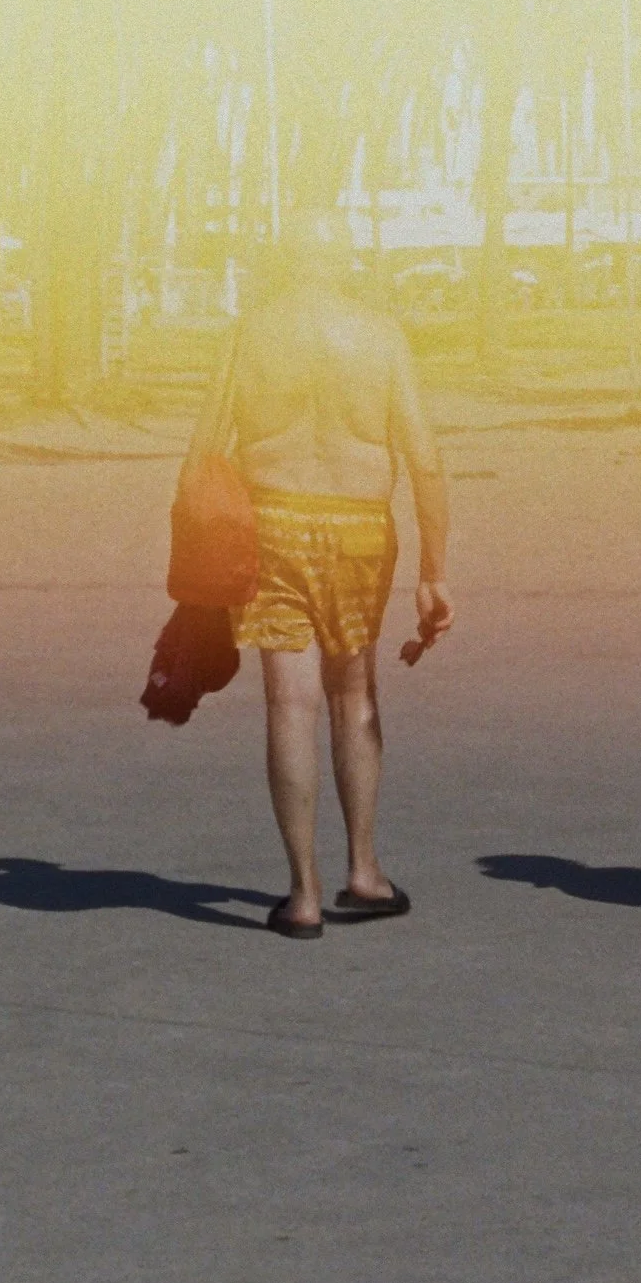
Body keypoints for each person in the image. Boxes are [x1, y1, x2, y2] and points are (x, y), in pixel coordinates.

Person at [186, 211, 453, 941]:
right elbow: (424, 459)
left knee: (288, 707)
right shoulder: (381, 336)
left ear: (284, 260)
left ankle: (302, 894)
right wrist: (433, 570)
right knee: (354, 693)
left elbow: (203, 456)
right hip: (361, 527)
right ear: (344, 262)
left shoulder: (249, 332)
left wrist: (193, 579)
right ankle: (362, 871)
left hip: (270, 523)